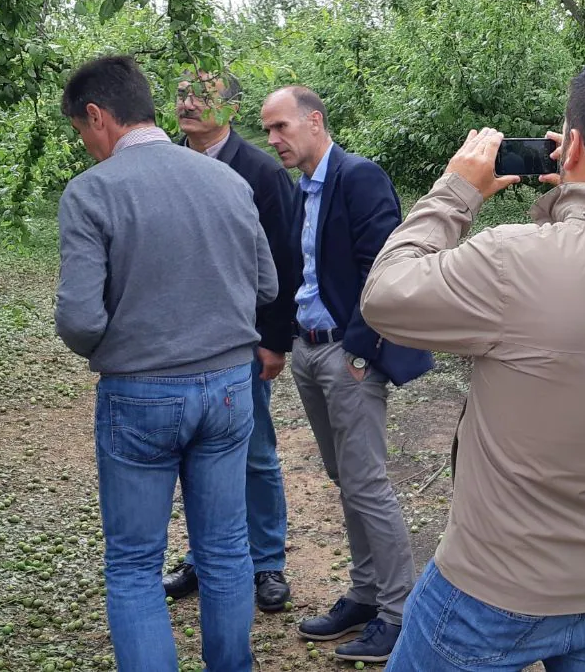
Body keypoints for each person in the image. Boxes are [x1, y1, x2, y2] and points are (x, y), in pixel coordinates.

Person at [360, 55, 585, 672]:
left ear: (573, 143)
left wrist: (456, 190)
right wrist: (583, 191)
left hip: (492, 587)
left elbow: (385, 296)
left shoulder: (511, 261)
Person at [55, 55, 277, 672]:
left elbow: (78, 319)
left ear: (98, 115)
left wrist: (116, 348)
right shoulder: (228, 180)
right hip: (231, 389)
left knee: (133, 563)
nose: (87, 145)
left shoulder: (91, 192)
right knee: (228, 549)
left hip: (141, 393)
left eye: (82, 130)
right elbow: (266, 283)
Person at [259, 85, 434, 664]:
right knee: (343, 474)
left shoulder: (358, 177)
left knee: (366, 481)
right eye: (267, 130)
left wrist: (360, 351)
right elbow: (299, 270)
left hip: (346, 353)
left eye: (281, 127)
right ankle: (365, 593)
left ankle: (398, 611)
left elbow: (383, 269)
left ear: (314, 121)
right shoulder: (301, 190)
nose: (273, 139)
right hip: (309, 351)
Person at [159, 69, 302, 613]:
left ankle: (267, 562)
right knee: (194, 454)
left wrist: (274, 340)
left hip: (243, 341)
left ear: (233, 109)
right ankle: (204, 556)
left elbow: (285, 261)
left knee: (256, 454)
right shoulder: (164, 164)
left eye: (202, 96)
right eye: (181, 94)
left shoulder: (261, 173)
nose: (188, 104)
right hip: (181, 341)